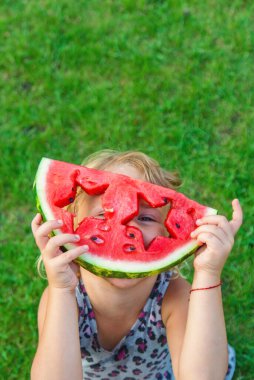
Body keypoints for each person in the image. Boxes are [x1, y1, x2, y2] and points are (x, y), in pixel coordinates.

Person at [30, 150, 243, 380]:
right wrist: (61, 290)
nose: (127, 229)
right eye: (104, 215)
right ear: (70, 227)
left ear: (170, 232)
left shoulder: (173, 295)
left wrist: (208, 274)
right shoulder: (62, 296)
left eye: (146, 218)